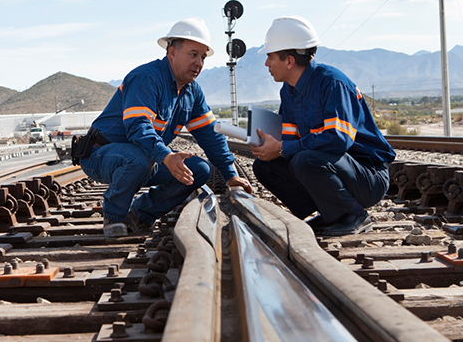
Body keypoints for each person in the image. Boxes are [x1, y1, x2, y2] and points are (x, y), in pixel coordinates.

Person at [79, 17, 253, 238]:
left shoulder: (192, 92)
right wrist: (166, 156)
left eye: (202, 57)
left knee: (199, 170)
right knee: (138, 159)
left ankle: (140, 214)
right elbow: (138, 127)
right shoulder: (147, 78)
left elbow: (211, 134)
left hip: (143, 159)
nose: (199, 63)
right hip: (102, 154)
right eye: (193, 54)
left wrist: (230, 176)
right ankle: (114, 215)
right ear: (172, 52)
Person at [251, 16, 396, 236]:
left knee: (304, 159)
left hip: (367, 176)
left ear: (289, 61)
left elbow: (337, 139)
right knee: (264, 166)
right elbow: (290, 140)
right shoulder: (288, 91)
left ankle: (355, 215)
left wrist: (282, 148)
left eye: (270, 57)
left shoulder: (332, 83)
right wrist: (269, 146)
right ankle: (330, 213)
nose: (266, 64)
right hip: (334, 168)